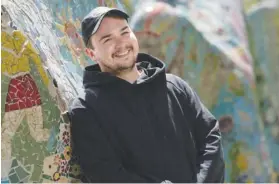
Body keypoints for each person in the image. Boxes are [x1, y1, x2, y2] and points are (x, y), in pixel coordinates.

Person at [69, 6, 225, 183]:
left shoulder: (174, 86)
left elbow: (210, 137)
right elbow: (106, 174)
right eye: (107, 39)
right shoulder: (86, 109)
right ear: (91, 53)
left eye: (124, 32)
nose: (121, 44)